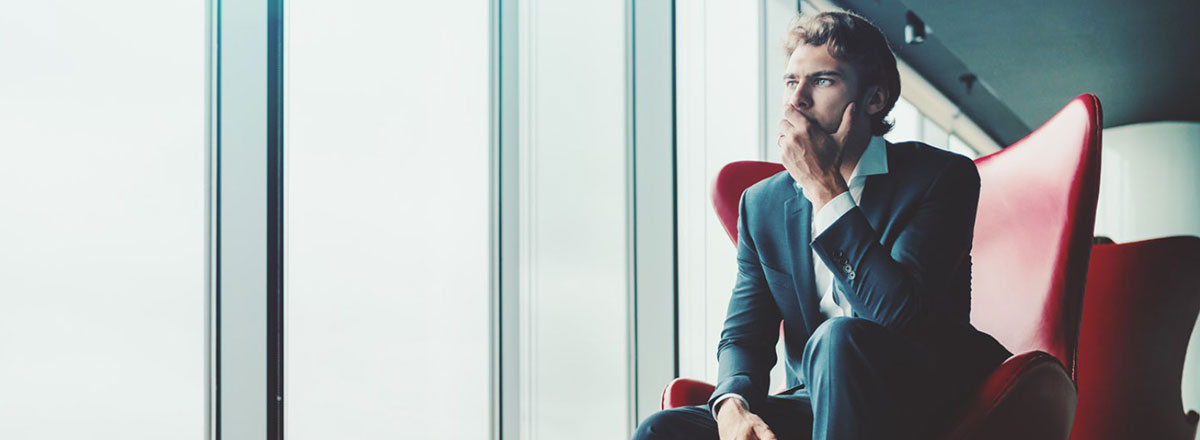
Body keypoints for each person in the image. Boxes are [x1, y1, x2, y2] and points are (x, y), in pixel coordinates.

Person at [633, 11, 1011, 440]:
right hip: (815, 405)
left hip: (922, 404)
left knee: (838, 337)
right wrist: (732, 408)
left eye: (823, 81)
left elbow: (898, 318)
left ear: (874, 100)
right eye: (791, 82)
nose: (797, 100)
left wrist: (825, 191)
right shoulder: (763, 204)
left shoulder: (941, 178)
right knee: (663, 429)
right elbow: (743, 337)